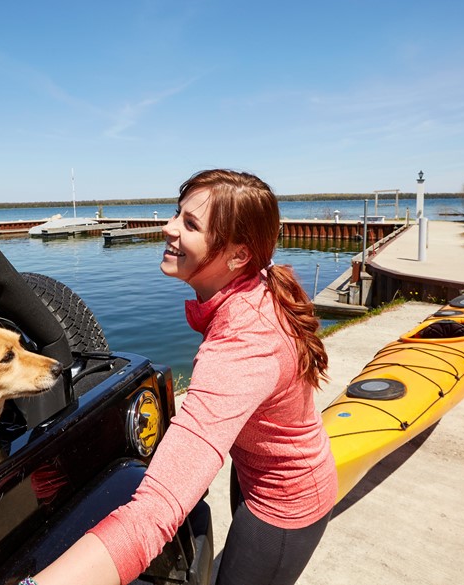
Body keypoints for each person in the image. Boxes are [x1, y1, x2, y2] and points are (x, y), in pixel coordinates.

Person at [28, 169, 338, 585]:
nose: (168, 227)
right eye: (177, 214)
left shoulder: (243, 345)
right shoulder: (252, 284)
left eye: (190, 224)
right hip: (253, 470)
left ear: (238, 256)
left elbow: (154, 513)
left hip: (285, 503)